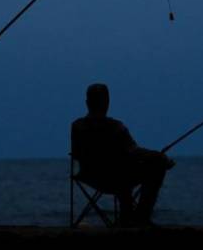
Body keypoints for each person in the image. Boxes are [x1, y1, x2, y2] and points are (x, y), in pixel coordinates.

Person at [70, 83, 175, 227]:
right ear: (107, 103)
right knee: (155, 166)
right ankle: (140, 218)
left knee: (122, 168)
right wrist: (158, 157)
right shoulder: (115, 127)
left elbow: (76, 154)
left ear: (87, 103)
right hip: (118, 178)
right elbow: (134, 151)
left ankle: (128, 217)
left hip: (90, 176)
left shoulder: (77, 126)